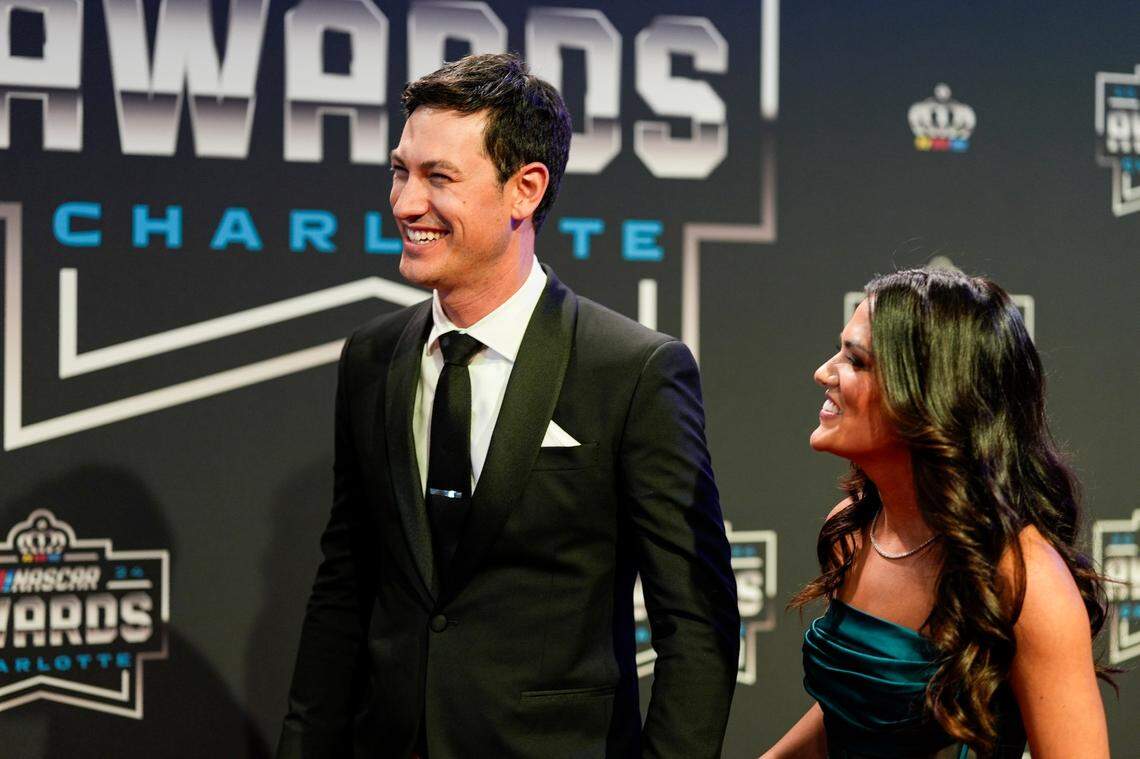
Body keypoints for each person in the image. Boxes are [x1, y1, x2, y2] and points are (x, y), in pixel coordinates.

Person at [277, 53, 740, 759]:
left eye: (438, 178)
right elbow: (345, 588)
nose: (404, 203)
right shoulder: (370, 359)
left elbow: (696, 622)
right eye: (401, 171)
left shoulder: (632, 370)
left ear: (524, 189)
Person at [763, 268, 1112, 758]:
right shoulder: (854, 529)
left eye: (856, 360)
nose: (824, 372)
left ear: (930, 398)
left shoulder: (1024, 580)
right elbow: (857, 717)